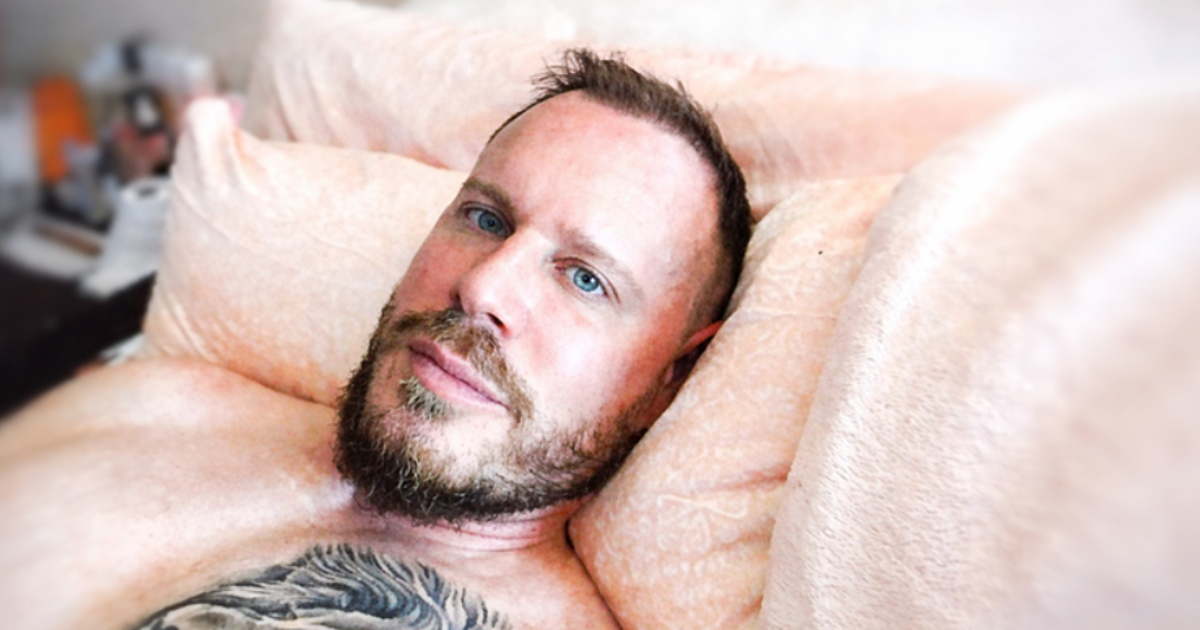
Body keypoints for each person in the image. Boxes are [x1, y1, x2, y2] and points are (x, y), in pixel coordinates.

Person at [0, 48, 751, 630]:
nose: (483, 289)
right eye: (486, 219)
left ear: (670, 379)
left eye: (585, 278)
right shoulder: (158, 400)